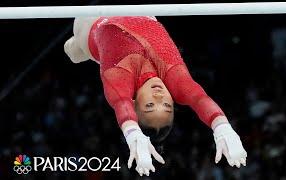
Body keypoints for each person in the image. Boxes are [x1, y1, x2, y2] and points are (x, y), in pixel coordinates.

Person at [64, 16, 247, 176]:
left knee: (74, 51)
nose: (159, 97)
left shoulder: (120, 80)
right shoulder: (175, 80)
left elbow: (121, 103)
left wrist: (132, 133)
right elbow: (200, 99)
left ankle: (77, 50)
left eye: (150, 105)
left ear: (134, 103)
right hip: (141, 13)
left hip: (92, 23)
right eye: (167, 105)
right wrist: (222, 127)